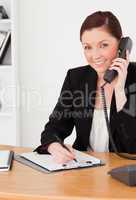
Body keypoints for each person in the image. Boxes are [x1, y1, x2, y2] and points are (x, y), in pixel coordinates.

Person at [35, 11, 136, 164]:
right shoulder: (76, 78)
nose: (95, 55)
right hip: (85, 171)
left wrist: (120, 91)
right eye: (87, 47)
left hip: (126, 172)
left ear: (122, 45)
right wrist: (54, 146)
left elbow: (132, 145)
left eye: (103, 45)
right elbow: (53, 128)